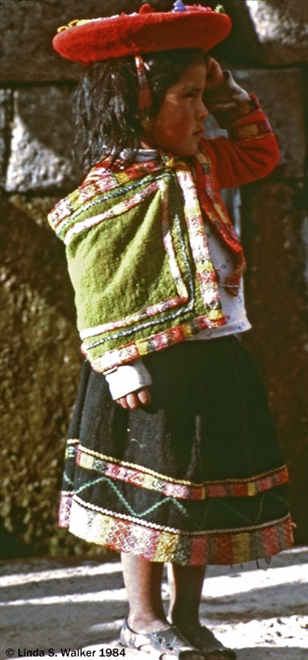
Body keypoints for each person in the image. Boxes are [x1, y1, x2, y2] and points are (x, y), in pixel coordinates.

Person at [49, 3, 293, 659]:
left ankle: (187, 617)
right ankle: (143, 618)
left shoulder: (206, 161)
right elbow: (97, 284)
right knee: (148, 500)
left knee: (200, 493)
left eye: (201, 95)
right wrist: (119, 363)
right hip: (149, 365)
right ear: (137, 100)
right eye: (187, 97)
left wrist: (225, 87)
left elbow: (262, 152)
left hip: (215, 355)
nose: (202, 112)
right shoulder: (114, 187)